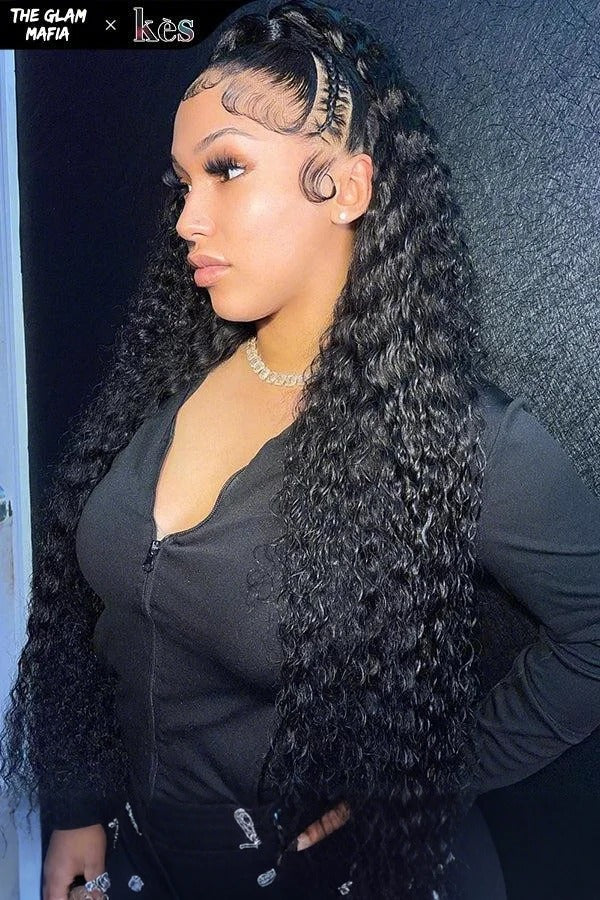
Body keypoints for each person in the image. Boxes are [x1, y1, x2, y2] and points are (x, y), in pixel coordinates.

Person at [1, 1, 599, 898]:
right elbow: (91, 620)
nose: (186, 219)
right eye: (182, 183)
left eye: (226, 169)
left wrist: (428, 782)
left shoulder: (449, 434)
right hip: (141, 859)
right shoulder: (164, 386)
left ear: (348, 188)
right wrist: (79, 809)